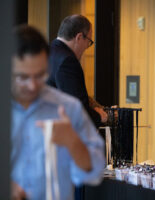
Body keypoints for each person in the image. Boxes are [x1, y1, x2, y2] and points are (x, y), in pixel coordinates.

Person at [11, 25, 105, 200]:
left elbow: (95, 172)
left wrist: (73, 142)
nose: (32, 85)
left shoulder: (68, 107)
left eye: (39, 75)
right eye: (23, 77)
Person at [47, 14, 108, 127]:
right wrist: (101, 116)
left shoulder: (48, 52)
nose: (86, 47)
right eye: (89, 41)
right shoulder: (67, 61)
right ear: (79, 37)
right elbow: (76, 109)